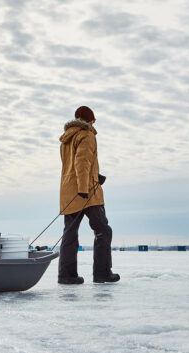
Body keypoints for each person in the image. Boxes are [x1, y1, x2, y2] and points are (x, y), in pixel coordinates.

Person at [58, 106, 120, 284]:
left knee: (70, 233)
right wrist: (84, 188)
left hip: (68, 191)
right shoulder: (87, 135)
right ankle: (102, 273)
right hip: (86, 193)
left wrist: (96, 176)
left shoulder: (66, 139)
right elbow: (82, 162)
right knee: (103, 231)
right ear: (88, 120)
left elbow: (73, 165)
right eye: (93, 120)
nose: (94, 123)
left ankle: (66, 276)